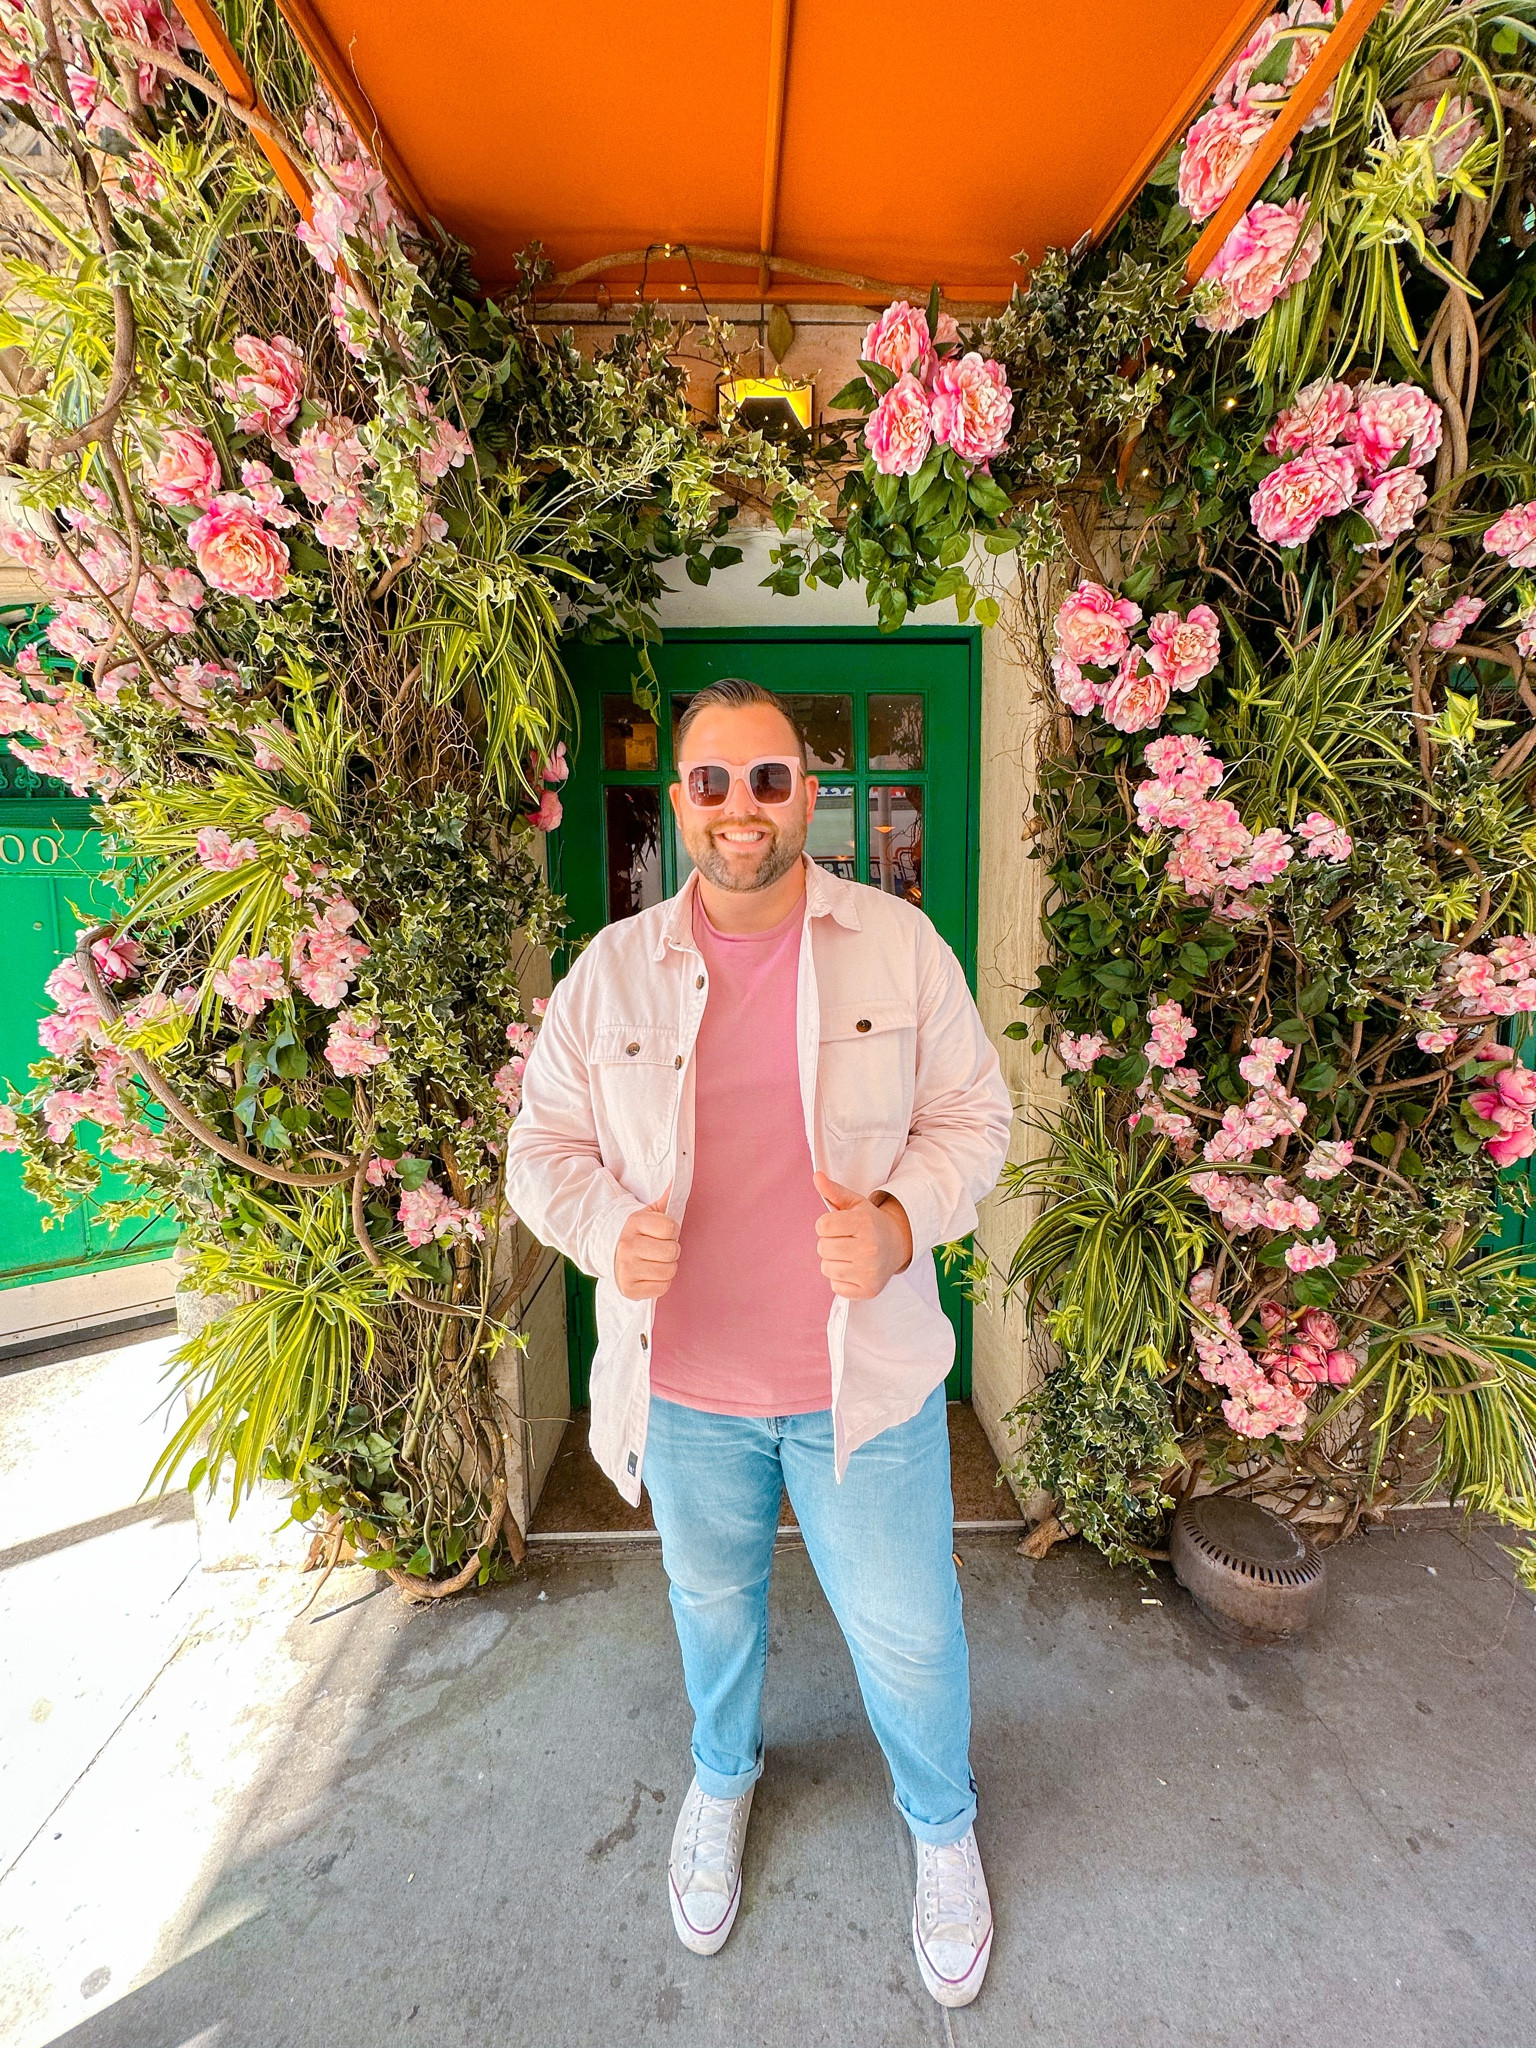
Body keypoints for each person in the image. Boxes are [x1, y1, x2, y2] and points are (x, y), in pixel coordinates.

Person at [504, 678, 1013, 2009]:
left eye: (769, 780)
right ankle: (722, 1780)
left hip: (866, 1386)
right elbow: (538, 1152)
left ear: (809, 793)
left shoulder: (898, 947)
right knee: (712, 1611)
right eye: (713, 783)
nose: (742, 809)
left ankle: (942, 1826)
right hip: (686, 1393)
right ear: (681, 802)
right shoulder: (610, 971)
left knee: (906, 1630)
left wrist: (902, 1222)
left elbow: (974, 1116)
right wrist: (610, 1224)